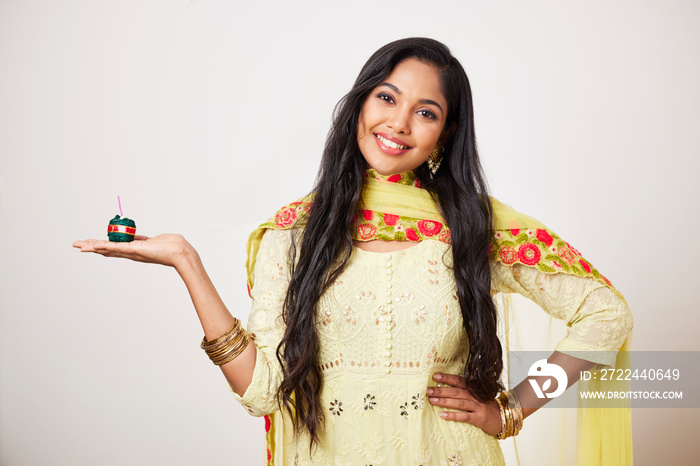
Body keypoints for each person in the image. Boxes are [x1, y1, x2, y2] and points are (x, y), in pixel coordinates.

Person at [74, 38, 633, 465]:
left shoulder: (473, 227)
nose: (398, 122)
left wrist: (508, 410)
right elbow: (264, 392)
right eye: (386, 97)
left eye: (426, 110)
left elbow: (607, 315)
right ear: (360, 104)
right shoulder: (294, 233)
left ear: (446, 130)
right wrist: (186, 264)